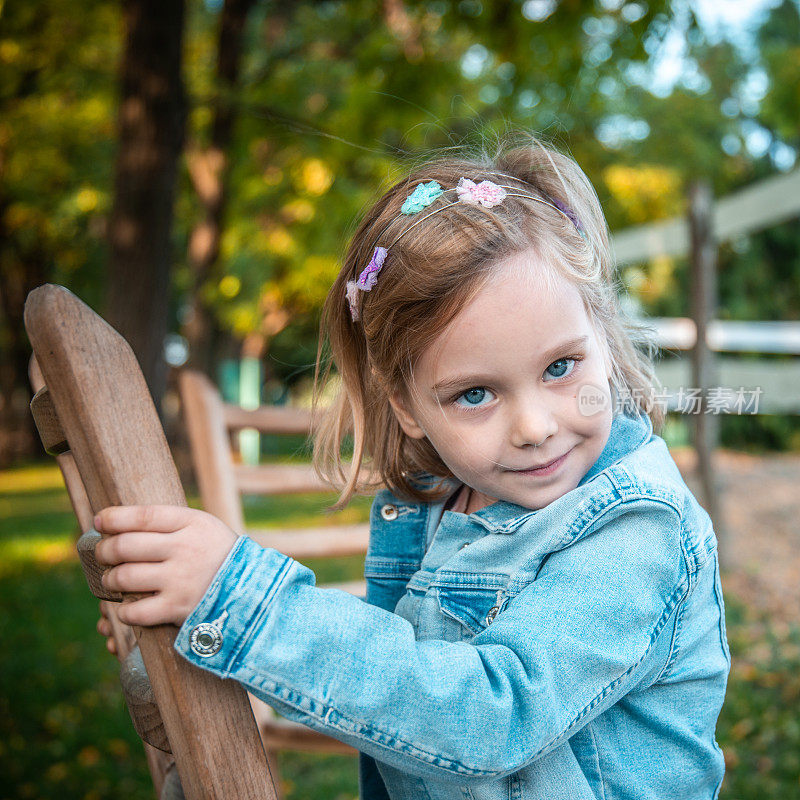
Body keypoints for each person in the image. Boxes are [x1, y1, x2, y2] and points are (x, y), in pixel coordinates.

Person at [95, 132, 730, 799]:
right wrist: (200, 622)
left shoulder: (637, 524)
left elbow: (493, 717)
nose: (537, 427)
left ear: (601, 332)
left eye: (561, 367)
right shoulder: (438, 501)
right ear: (404, 405)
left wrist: (250, 613)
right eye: (475, 394)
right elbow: (397, 697)